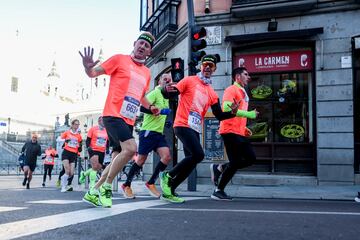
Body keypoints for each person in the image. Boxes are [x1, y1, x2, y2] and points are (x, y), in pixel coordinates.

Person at [79, 32, 159, 208]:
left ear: (149, 53)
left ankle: (93, 191)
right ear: (134, 44)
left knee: (117, 158)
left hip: (128, 120)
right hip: (113, 114)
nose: (142, 47)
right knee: (131, 149)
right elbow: (93, 73)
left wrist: (151, 107)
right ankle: (106, 188)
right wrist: (87, 68)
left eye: (147, 46)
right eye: (141, 43)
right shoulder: (119, 59)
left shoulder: (146, 72)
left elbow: (141, 96)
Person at [159, 54, 239, 203]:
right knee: (199, 155)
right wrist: (165, 89)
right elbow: (172, 92)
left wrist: (232, 113)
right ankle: (168, 175)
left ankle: (170, 189)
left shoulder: (212, 93)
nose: (208, 67)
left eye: (211, 66)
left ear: (214, 69)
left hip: (194, 128)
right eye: (205, 65)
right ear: (201, 67)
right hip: (182, 124)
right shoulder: (189, 81)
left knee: (193, 160)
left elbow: (219, 115)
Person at [210, 67, 259, 200]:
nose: (248, 77)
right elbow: (226, 108)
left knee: (250, 159)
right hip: (229, 131)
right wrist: (249, 114)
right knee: (236, 161)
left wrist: (244, 128)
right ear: (238, 77)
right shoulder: (231, 89)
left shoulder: (243, 91)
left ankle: (221, 167)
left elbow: (238, 113)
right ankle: (218, 190)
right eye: (246, 74)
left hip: (239, 132)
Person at [122, 73, 172, 199]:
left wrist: (165, 121)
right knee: (140, 160)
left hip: (159, 134)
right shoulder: (155, 93)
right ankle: (126, 185)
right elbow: (142, 108)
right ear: (159, 81)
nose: (167, 81)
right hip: (148, 132)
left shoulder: (166, 97)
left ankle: (150, 183)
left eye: (169, 80)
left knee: (166, 157)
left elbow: (159, 113)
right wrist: (153, 110)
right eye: (164, 79)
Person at [79, 116, 109, 189]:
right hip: (93, 149)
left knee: (99, 167)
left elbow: (107, 141)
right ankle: (92, 185)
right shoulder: (93, 129)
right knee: (95, 167)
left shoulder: (107, 130)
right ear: (99, 121)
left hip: (102, 151)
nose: (104, 122)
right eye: (103, 120)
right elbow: (88, 139)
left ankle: (84, 174)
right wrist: (88, 148)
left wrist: (107, 149)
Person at [60, 119, 82, 192]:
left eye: (78, 125)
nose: (76, 126)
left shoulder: (79, 136)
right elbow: (60, 139)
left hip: (73, 154)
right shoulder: (67, 132)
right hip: (66, 152)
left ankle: (63, 179)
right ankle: (63, 187)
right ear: (72, 125)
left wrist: (79, 147)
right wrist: (65, 141)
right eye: (75, 124)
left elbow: (80, 146)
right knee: (67, 170)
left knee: (71, 173)